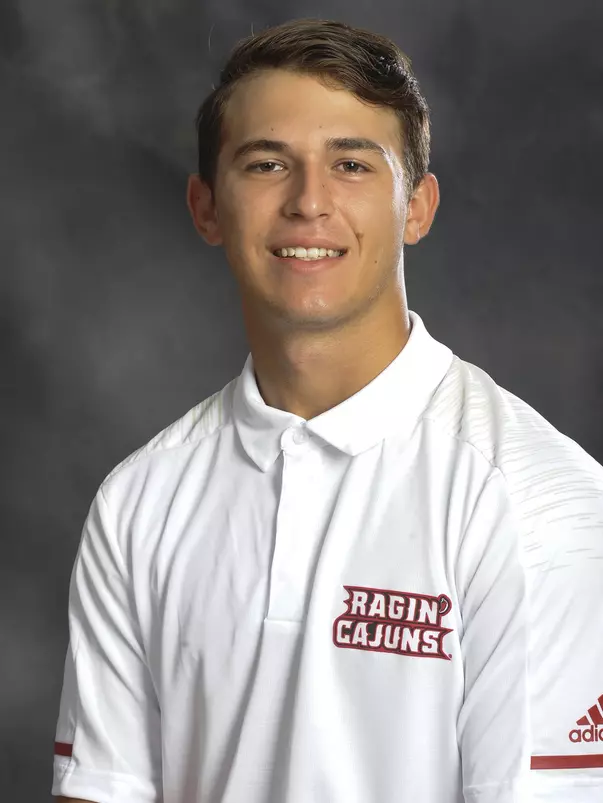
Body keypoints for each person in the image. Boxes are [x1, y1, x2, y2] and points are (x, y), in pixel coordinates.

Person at [52, 17, 603, 803]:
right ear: (207, 208)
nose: (308, 202)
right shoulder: (138, 500)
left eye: (351, 164)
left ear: (415, 207)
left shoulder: (541, 506)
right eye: (267, 163)